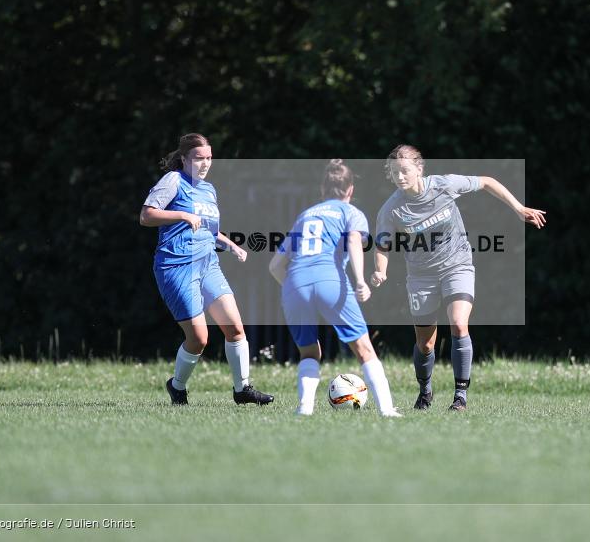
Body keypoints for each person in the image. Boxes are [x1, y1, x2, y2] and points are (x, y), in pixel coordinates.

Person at [371, 145, 546, 411]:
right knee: (425, 343)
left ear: (419, 168)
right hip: (421, 276)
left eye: (405, 171)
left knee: (459, 324)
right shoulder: (391, 209)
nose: (400, 177)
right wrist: (380, 270)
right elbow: (382, 245)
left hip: (457, 266)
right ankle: (425, 390)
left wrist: (518, 208)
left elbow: (487, 182)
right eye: (395, 172)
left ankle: (460, 397)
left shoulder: (444, 185)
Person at [140, 133, 274, 406]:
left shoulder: (208, 190)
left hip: (208, 264)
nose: (205, 163)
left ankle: (242, 389)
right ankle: (177, 386)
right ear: (185, 159)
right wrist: (182, 214)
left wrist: (231, 245)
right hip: (176, 266)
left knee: (235, 328)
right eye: (199, 158)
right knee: (199, 338)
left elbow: (209, 230)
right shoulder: (174, 181)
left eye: (209, 158)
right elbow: (146, 215)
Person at [269, 159, 401, 417]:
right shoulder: (350, 212)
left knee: (309, 351)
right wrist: (360, 280)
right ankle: (387, 410)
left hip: (295, 283)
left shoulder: (305, 215)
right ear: (350, 189)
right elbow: (353, 240)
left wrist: (294, 289)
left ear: (322, 188)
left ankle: (304, 409)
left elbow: (275, 266)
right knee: (364, 349)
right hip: (330, 281)